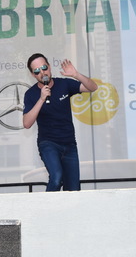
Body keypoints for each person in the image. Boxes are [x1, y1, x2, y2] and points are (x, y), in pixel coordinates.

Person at [23, 53, 98, 191]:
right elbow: (27, 123)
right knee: (57, 177)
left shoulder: (64, 84)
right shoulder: (31, 94)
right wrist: (41, 99)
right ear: (33, 75)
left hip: (69, 145)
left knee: (73, 190)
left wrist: (76, 74)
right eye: (37, 71)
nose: (42, 72)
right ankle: (47, 210)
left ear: (50, 67)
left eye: (44, 67)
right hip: (48, 144)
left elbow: (93, 87)